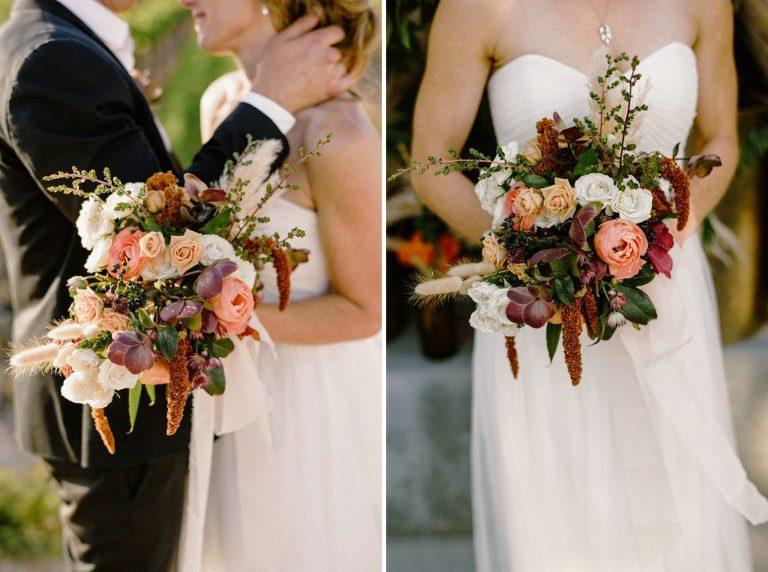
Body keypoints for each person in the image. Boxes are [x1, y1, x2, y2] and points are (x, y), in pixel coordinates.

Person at [411, 0, 767, 569]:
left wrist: (667, 228)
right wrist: (535, 255)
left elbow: (720, 134)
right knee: (562, 508)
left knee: (673, 500)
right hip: (541, 303)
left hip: (665, 288)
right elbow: (432, 161)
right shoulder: (478, 8)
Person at [0, 0, 350, 569]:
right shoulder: (52, 59)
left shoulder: (58, 41)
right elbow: (161, 239)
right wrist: (270, 101)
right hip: (119, 412)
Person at [175, 0, 382, 570]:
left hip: (309, 402)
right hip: (227, 391)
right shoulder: (220, 102)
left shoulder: (338, 132)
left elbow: (365, 309)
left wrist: (220, 320)